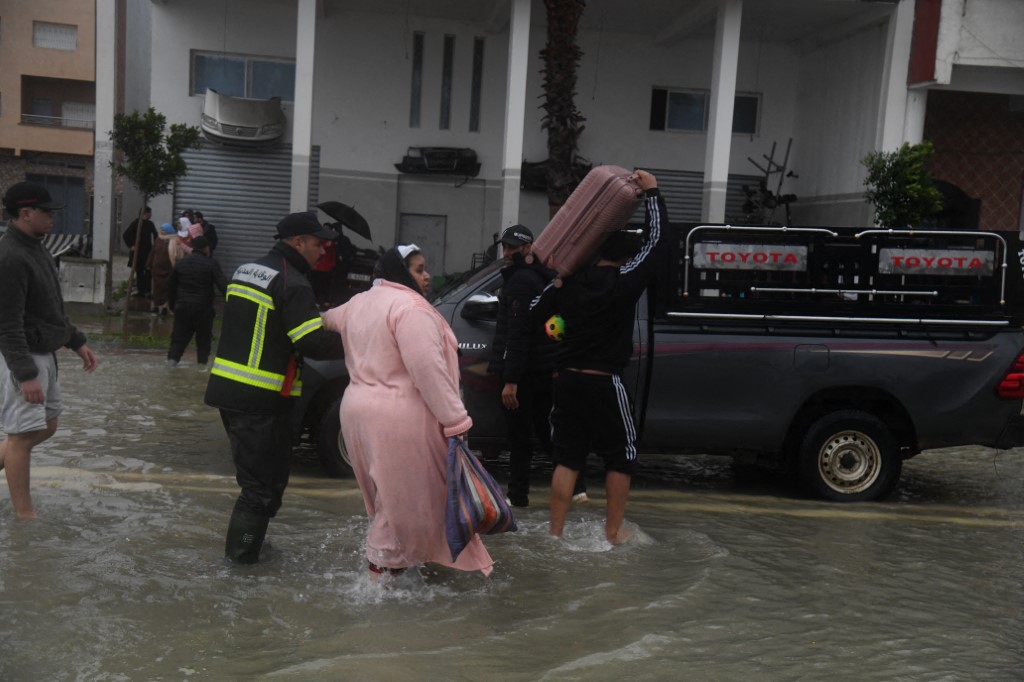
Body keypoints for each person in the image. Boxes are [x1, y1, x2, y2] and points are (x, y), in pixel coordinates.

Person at [323, 244, 493, 580]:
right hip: (398, 418)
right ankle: (379, 585)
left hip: (356, 413)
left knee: (389, 498)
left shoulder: (360, 302)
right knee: (402, 503)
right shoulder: (410, 309)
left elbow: (326, 319)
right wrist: (456, 420)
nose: (427, 276)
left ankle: (397, 573)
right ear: (399, 272)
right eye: (418, 269)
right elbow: (428, 370)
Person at [204, 210, 345, 564]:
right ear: (298, 242)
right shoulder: (292, 282)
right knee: (259, 489)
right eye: (318, 244)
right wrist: (359, 338)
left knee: (268, 480)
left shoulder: (246, 270)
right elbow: (312, 342)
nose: (323, 251)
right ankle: (241, 561)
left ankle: (252, 546)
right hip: (259, 398)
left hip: (231, 390)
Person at [541, 169, 665, 544]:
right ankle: (613, 533)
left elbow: (544, 319)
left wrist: (562, 329)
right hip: (604, 381)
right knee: (621, 456)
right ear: (625, 258)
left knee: (568, 457)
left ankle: (555, 533)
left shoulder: (569, 282)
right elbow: (656, 244)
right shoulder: (623, 284)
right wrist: (654, 194)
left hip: (567, 379)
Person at [0, 182, 98, 519]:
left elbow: (50, 307)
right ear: (26, 213)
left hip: (44, 352)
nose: (53, 217)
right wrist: (25, 374)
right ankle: (26, 518)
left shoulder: (36, 248)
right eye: (47, 211)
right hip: (25, 356)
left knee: (48, 424)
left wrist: (76, 341)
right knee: (21, 437)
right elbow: (6, 324)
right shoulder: (10, 257)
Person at [488, 224, 586, 508]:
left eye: (513, 247)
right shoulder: (541, 277)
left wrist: (511, 380)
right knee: (547, 432)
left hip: (524, 373)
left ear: (528, 248)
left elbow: (517, 333)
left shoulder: (520, 282)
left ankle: (517, 496)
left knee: (520, 437)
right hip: (543, 368)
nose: (507, 253)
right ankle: (576, 487)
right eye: (505, 247)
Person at [167, 236, 226, 368]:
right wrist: (233, 301)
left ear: (192, 247)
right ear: (206, 248)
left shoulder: (181, 263)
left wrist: (172, 306)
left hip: (182, 307)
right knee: (203, 340)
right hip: (203, 309)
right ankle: (201, 368)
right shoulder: (211, 264)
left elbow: (171, 287)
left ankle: (171, 366)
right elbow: (223, 286)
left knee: (178, 339)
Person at [123, 206, 158, 299]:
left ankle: (147, 291)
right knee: (139, 272)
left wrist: (155, 247)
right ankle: (141, 291)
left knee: (148, 271)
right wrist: (131, 246)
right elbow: (126, 235)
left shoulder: (150, 224)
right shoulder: (136, 223)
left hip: (148, 252)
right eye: (150, 213)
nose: (151, 215)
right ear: (146, 214)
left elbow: (155, 235)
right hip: (138, 253)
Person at [148, 222, 176, 315]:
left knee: (166, 289)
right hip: (157, 269)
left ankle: (165, 306)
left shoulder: (174, 240)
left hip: (168, 269)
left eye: (164, 230)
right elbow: (153, 252)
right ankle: (156, 306)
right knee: (157, 289)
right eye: (161, 229)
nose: (162, 232)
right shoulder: (158, 239)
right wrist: (149, 263)